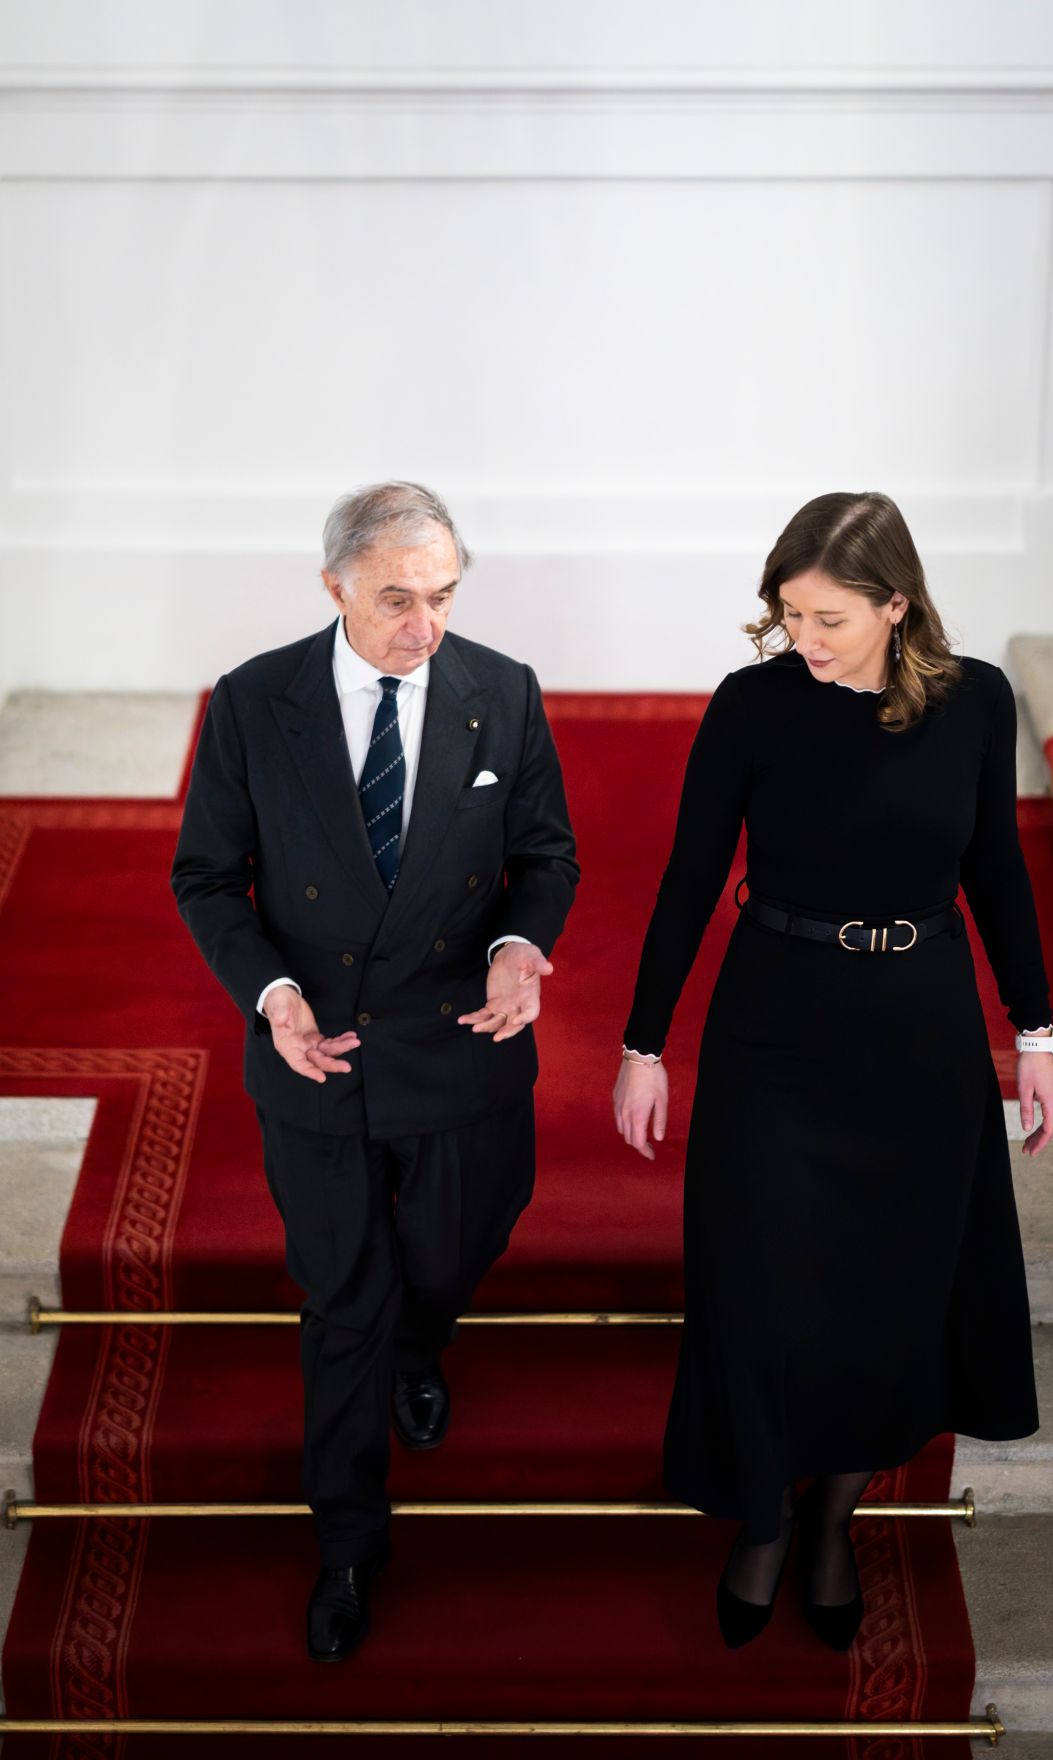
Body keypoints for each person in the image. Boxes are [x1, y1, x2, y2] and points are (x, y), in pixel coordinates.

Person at [613, 491, 1053, 1653]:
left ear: (896, 604)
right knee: (760, 1284)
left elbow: (1001, 875)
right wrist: (643, 1043)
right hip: (775, 1023)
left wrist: (1038, 1036)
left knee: (886, 1293)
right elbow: (688, 876)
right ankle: (762, 1518)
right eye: (789, 614)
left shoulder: (975, 705)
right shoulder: (752, 707)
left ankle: (830, 1523)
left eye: (827, 617)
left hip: (918, 1035)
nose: (802, 639)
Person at [172, 481, 578, 1661]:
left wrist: (515, 946)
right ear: (335, 584)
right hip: (319, 1053)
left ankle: (422, 1341)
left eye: (443, 594)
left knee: (458, 1242)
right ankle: (349, 1541)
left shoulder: (501, 691)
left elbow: (544, 852)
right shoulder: (256, 701)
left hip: (464, 1042)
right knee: (341, 1300)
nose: (424, 624)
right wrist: (272, 992)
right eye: (397, 597)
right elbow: (206, 877)